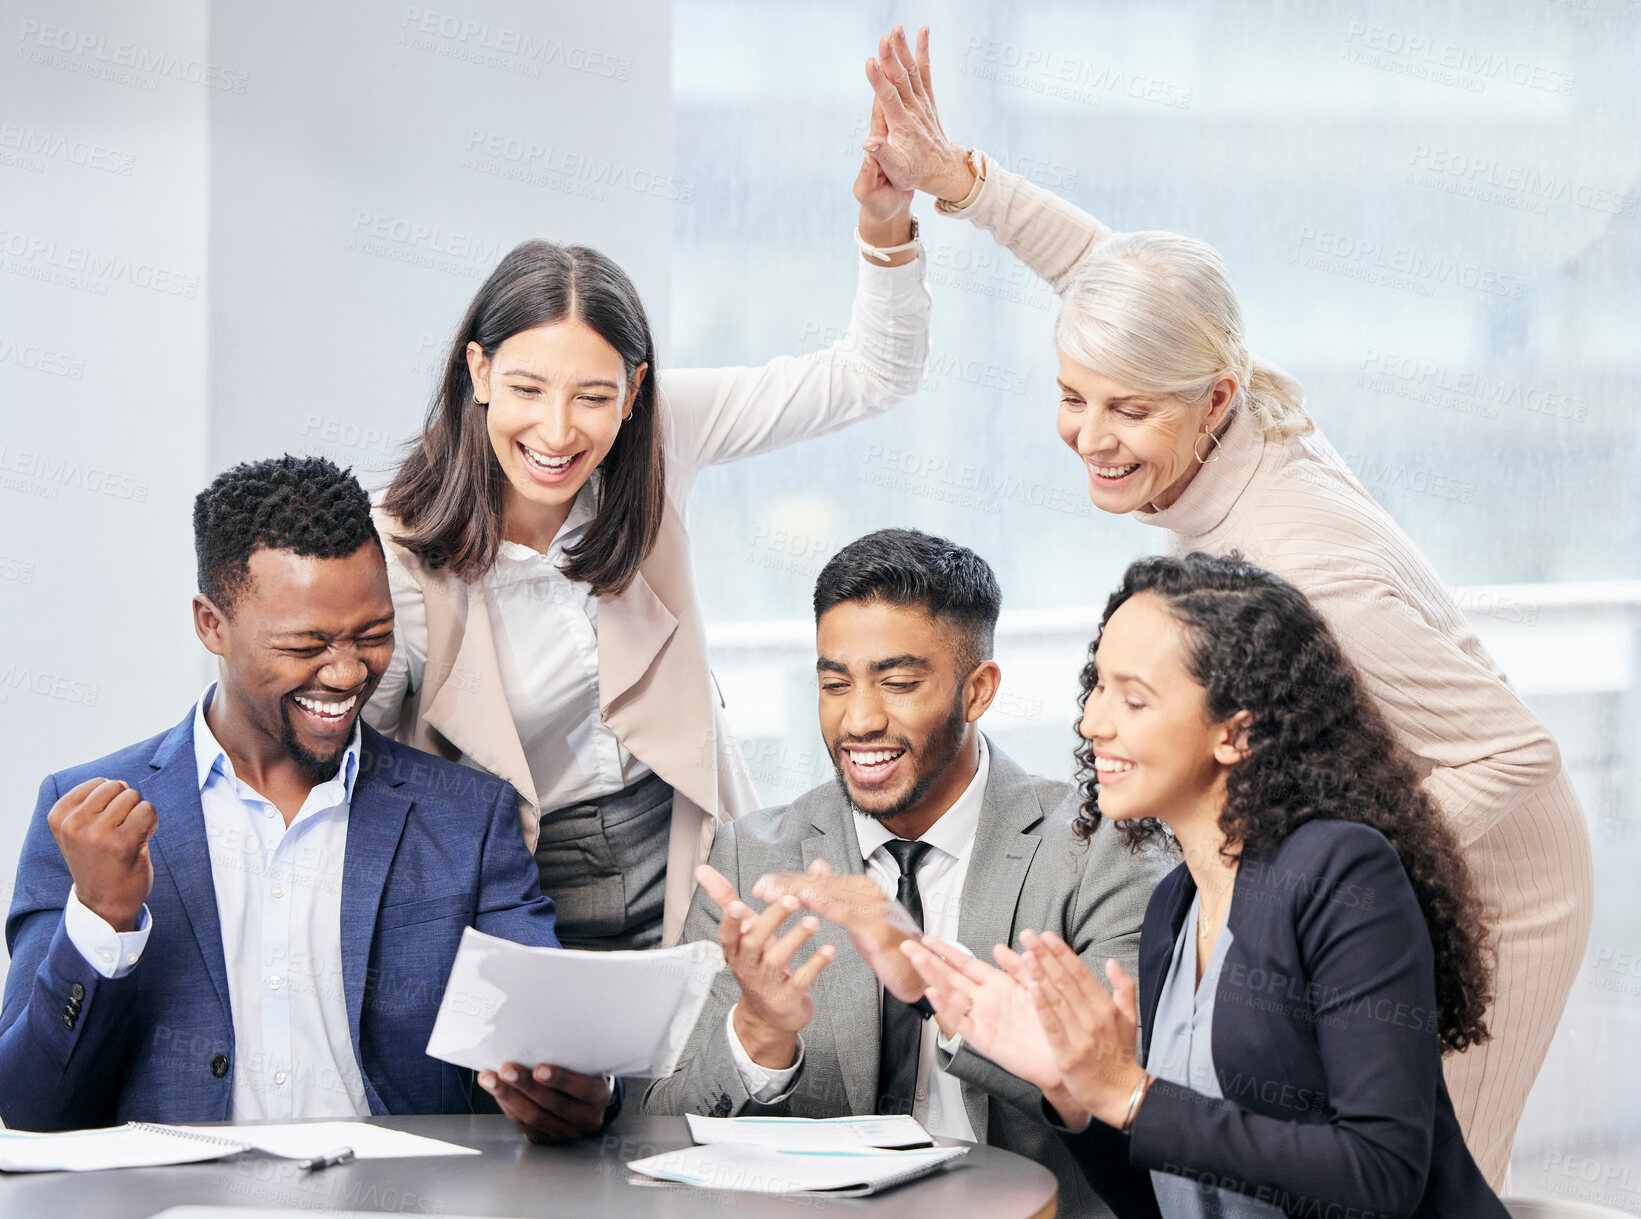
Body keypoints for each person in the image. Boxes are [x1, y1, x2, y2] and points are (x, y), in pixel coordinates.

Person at [856, 24, 1592, 1184]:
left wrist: (1316, 887)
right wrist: (964, 184)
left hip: (1495, 868)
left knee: (1409, 1182)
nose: (1090, 438)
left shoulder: (1310, 558)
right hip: (1351, 821)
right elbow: (1114, 276)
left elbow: (1516, 755)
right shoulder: (1201, 389)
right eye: (1070, 396)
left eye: (1126, 412)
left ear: (1212, 398)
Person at [363, 126, 932, 955]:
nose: (557, 431)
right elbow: (361, 761)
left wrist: (885, 226)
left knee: (695, 1077)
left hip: (683, 844)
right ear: (479, 373)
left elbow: (871, 377)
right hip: (509, 882)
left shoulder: (660, 433)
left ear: (633, 391)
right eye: (526, 388)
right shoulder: (398, 550)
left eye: (592, 395)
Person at [0, 456, 610, 1141]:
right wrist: (101, 918)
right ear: (211, 625)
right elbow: (29, 1107)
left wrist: (575, 1084)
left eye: (373, 636)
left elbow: (552, 1042)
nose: (349, 673)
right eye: (305, 645)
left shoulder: (467, 816)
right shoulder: (86, 818)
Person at [905, 551, 1508, 1218]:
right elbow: (1164, 1198)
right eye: (1096, 687)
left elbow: (1377, 1176)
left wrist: (1130, 1093)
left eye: (1132, 698)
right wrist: (1076, 1092)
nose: (1092, 722)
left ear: (1235, 731)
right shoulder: (1174, 906)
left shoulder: (1339, 870)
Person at [642, 529, 1167, 1219]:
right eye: (834, 684)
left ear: (977, 690)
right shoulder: (751, 856)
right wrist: (760, 1032)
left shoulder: (1102, 848)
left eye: (897, 682)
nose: (858, 719)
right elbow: (658, 1122)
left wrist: (927, 982)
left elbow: (1117, 1097)